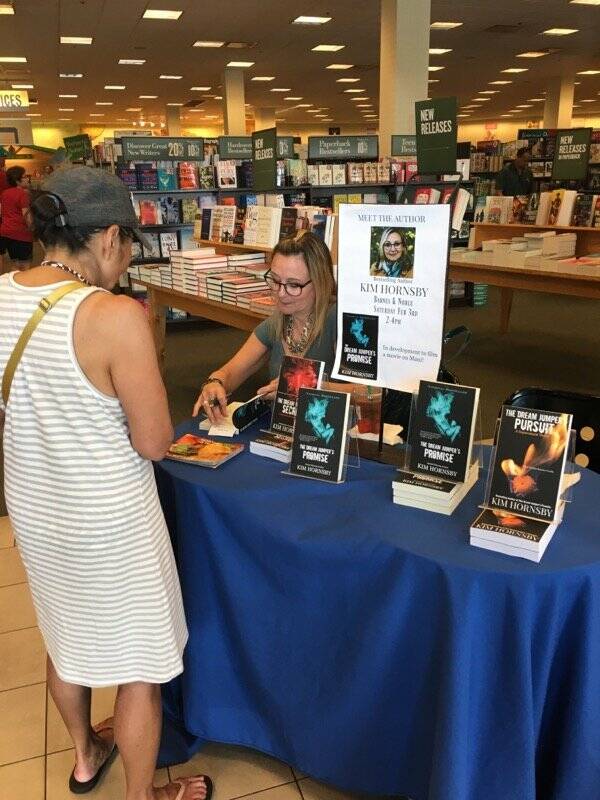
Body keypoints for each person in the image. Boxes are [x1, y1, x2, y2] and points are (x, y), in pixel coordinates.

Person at [0, 166, 212, 800]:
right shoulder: (114, 316)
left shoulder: (2, 293)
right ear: (111, 237)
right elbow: (152, 441)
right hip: (109, 519)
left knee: (66, 640)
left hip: (36, 512)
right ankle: (143, 796)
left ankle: (86, 756)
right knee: (140, 668)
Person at [194, 230, 336, 423]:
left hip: (336, 438)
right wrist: (215, 383)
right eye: (275, 280)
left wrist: (310, 386)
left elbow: (374, 394)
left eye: (294, 285)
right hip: (286, 432)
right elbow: (232, 371)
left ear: (321, 282)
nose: (281, 293)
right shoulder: (278, 323)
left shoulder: (339, 320)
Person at [0, 165, 34, 271]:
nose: (27, 178)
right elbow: (27, 216)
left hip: (6, 233)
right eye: (24, 177)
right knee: (25, 266)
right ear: (17, 180)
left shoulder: (5, 193)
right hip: (21, 234)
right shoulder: (23, 194)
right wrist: (34, 230)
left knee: (15, 264)